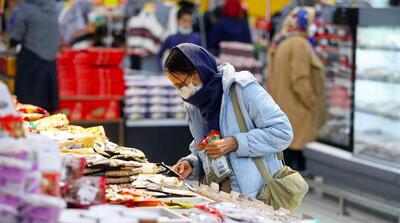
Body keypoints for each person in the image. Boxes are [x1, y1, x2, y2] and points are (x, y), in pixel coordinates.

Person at [164, 43, 293, 197]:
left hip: (254, 196)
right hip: (215, 195)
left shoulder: (241, 88)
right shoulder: (195, 104)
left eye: (181, 84)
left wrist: (235, 143)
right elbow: (204, 147)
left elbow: (282, 132)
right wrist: (191, 163)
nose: (181, 90)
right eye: (176, 86)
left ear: (197, 72)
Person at [267, 7, 327, 172]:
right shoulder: (300, 44)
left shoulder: (280, 41)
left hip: (284, 108)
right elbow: (300, 81)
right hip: (298, 110)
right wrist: (313, 104)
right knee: (295, 160)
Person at [8, 0, 59, 112]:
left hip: (31, 62)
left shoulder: (25, 8)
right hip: (50, 61)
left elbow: (15, 37)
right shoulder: (53, 7)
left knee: (28, 107)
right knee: (46, 108)